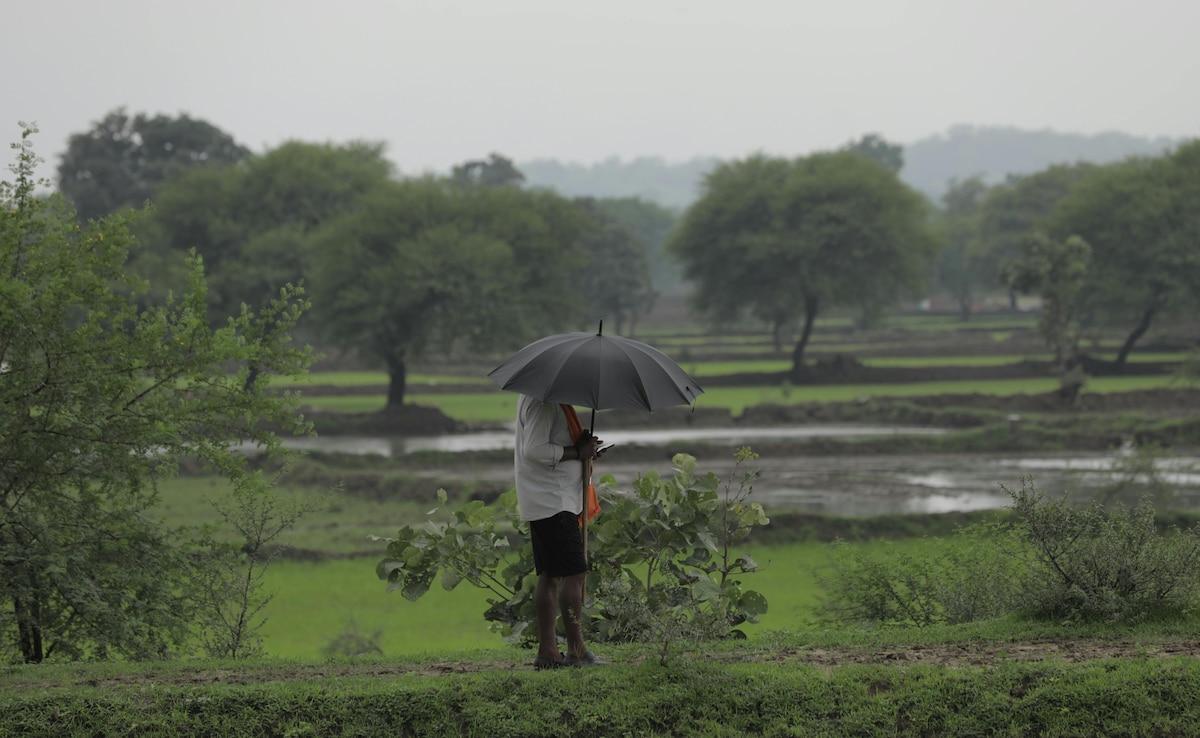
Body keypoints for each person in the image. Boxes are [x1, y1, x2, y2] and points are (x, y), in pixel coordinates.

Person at [514, 393, 610, 669]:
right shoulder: (543, 402)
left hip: (549, 499)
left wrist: (583, 449)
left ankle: (548, 653)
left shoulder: (543, 399)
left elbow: (549, 443)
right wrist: (577, 453)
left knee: (551, 575)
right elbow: (534, 449)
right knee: (574, 572)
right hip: (552, 501)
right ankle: (576, 650)